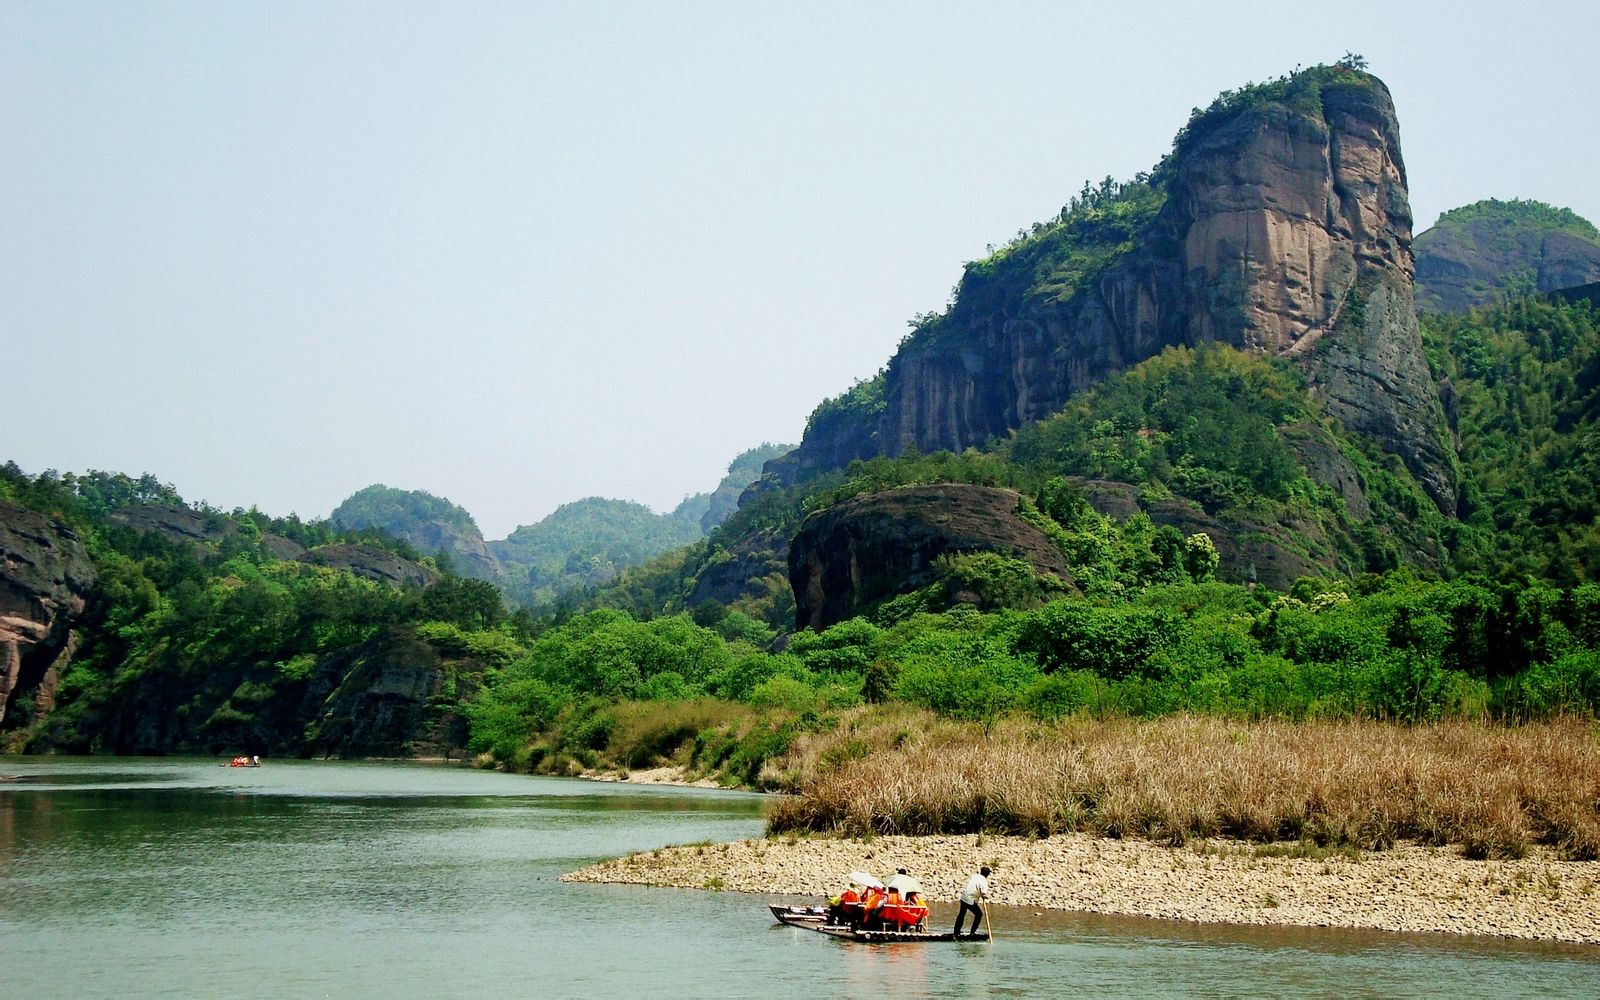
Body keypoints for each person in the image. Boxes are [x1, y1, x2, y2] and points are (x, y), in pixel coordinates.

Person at [954, 866, 991, 938]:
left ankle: (956, 931)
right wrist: (984, 896)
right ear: (987, 875)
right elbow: (983, 893)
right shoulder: (984, 882)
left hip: (964, 897)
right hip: (970, 900)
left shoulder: (974, 876)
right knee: (979, 914)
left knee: (961, 915)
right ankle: (973, 932)